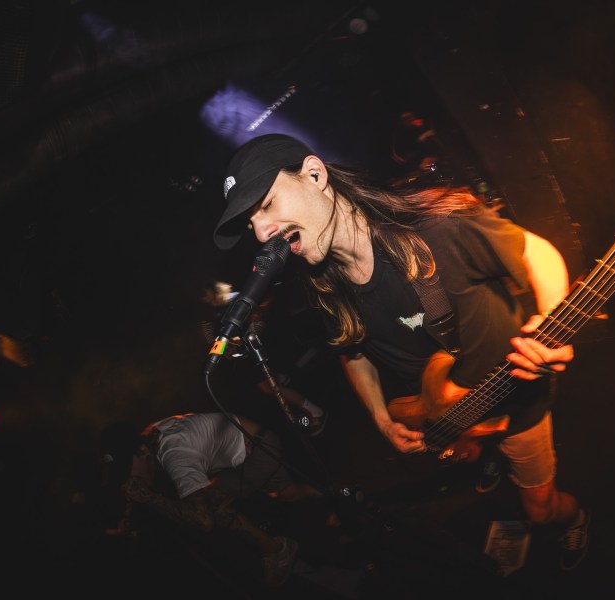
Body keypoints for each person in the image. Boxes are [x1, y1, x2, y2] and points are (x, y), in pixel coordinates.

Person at [211, 133, 591, 572]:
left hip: (513, 399)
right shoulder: (322, 285)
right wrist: (381, 418)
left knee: (539, 511)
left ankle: (574, 518)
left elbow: (537, 253)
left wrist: (550, 318)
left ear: (314, 175)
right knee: (478, 455)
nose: (262, 233)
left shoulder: (434, 226)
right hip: (451, 415)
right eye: (251, 225)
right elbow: (354, 354)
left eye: (267, 205)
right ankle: (484, 454)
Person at [103, 412, 325, 587]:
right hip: (257, 441)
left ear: (142, 451)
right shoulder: (153, 434)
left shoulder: (174, 455)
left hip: (255, 453)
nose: (133, 480)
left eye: (129, 472)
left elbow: (204, 521)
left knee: (213, 507)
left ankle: (277, 550)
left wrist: (148, 497)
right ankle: (335, 496)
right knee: (289, 493)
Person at [199, 280, 328, 436]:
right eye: (204, 299)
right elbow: (213, 340)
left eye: (207, 297)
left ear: (214, 292)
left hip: (258, 350)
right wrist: (224, 349)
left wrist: (245, 339)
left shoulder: (237, 300)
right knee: (268, 386)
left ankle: (316, 413)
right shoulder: (211, 314)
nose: (206, 301)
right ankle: (283, 381)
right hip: (245, 358)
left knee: (269, 387)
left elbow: (259, 320)